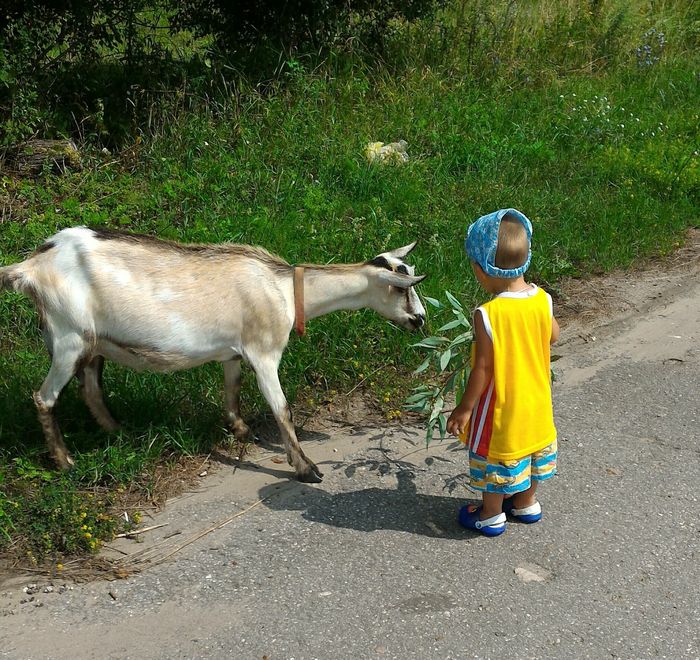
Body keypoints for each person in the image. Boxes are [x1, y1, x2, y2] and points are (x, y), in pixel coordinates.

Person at [446, 208, 560, 537]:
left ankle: (491, 513)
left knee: (498, 453)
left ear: (482, 270)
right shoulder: (543, 299)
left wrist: (465, 408)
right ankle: (525, 504)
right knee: (532, 449)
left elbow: (482, 369)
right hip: (536, 401)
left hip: (503, 406)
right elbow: (553, 335)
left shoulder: (488, 314)